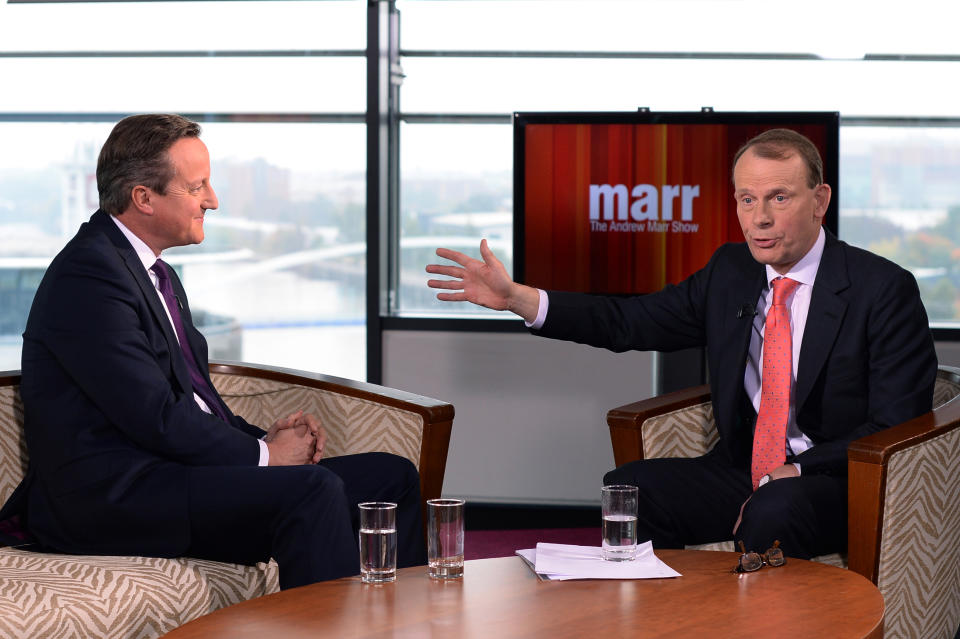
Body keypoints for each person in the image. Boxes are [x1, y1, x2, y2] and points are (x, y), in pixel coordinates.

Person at [425, 128, 937, 559]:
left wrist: (799, 467)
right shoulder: (730, 272)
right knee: (632, 490)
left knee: (775, 508)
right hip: (746, 470)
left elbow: (895, 423)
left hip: (839, 480)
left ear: (820, 201)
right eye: (746, 199)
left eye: (779, 198)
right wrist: (520, 298)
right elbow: (629, 322)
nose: (759, 218)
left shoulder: (882, 289)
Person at [0, 114, 425, 589]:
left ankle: (394, 623)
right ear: (144, 197)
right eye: (197, 185)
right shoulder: (89, 278)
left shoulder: (151, 272)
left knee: (394, 478)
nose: (213, 200)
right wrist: (264, 456)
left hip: (169, 475)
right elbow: (156, 417)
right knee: (313, 490)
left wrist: (264, 438)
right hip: (114, 497)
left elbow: (193, 398)